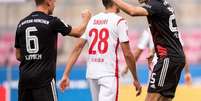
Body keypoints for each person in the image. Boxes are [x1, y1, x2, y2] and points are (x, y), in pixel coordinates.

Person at [59, 0, 142, 101]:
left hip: (92, 74)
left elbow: (78, 47)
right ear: (115, 3)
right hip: (108, 74)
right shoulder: (120, 21)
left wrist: (66, 74)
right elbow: (127, 54)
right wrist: (136, 79)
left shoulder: (93, 20)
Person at [14, 0, 91, 100]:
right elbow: (78, 32)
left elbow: (18, 55)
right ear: (48, 2)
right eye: (54, 1)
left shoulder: (21, 24)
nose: (55, 5)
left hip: (25, 82)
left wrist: (33, 58)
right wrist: (86, 18)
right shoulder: (52, 21)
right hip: (44, 81)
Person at [112, 0, 187, 100]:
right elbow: (166, 34)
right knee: (163, 99)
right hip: (173, 58)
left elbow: (132, 11)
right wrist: (154, 51)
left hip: (167, 59)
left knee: (150, 98)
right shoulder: (162, 4)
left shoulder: (155, 5)